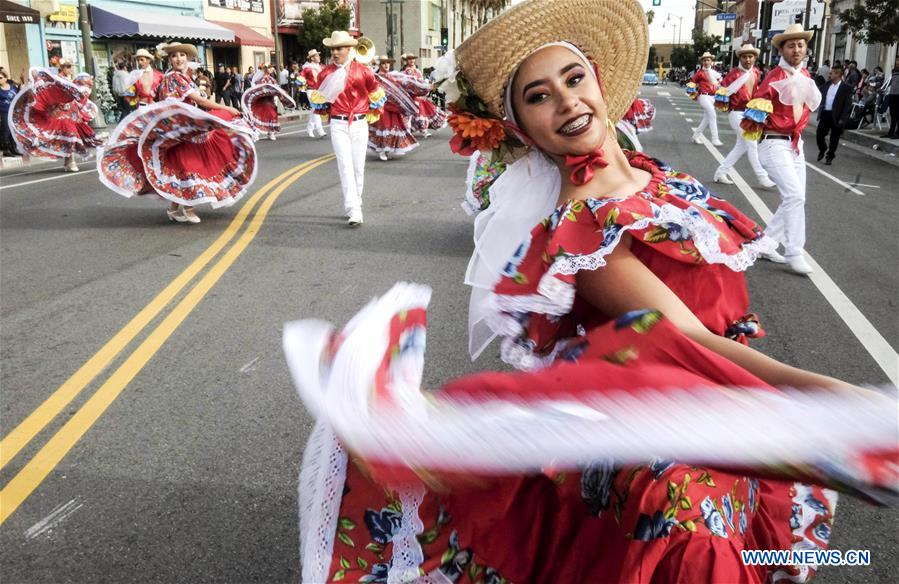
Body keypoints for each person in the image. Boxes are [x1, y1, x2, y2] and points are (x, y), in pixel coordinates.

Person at [285, 3, 898, 584]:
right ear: (522, 129)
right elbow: (691, 341)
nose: (567, 101)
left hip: (716, 404)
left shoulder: (661, 177)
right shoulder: (583, 228)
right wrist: (843, 404)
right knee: (695, 548)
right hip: (670, 433)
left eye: (574, 78)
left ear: (600, 81)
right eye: (538, 97)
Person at [97, 42, 255, 225]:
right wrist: (224, 107)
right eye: (174, 55)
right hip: (181, 130)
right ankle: (189, 208)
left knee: (183, 169)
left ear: (187, 58)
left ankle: (173, 209)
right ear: (169, 59)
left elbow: (193, 100)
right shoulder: (173, 78)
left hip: (187, 128)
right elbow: (198, 101)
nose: (178, 58)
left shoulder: (180, 77)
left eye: (181, 55)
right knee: (190, 166)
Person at [741, 23, 820, 275]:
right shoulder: (775, 76)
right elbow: (755, 110)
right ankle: (794, 252)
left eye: (800, 45)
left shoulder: (806, 76)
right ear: (782, 50)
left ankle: (765, 244)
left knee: (796, 198)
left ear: (805, 48)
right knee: (795, 196)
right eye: (790, 45)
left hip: (795, 144)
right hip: (774, 142)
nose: (796, 49)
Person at [308, 30, 385, 227]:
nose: (335, 53)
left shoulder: (364, 71)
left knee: (359, 167)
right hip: (339, 123)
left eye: (339, 48)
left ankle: (356, 201)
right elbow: (322, 100)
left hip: (359, 123)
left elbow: (376, 95)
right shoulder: (325, 73)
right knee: (345, 166)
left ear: (349, 49)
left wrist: (374, 112)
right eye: (333, 49)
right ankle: (353, 209)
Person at [8, 61, 101, 172]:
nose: (70, 69)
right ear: (62, 68)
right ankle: (71, 161)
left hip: (71, 112)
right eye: (68, 67)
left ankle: (69, 161)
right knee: (69, 133)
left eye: (71, 67)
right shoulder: (56, 79)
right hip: (59, 113)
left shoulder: (72, 81)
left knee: (71, 136)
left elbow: (82, 91)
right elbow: (41, 84)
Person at [713, 44, 776, 188]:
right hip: (736, 113)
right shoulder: (733, 75)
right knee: (752, 144)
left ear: (755, 58)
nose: (748, 59)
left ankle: (721, 172)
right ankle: (762, 176)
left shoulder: (756, 72)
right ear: (740, 58)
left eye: (750, 56)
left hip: (749, 113)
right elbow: (722, 92)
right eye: (744, 56)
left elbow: (757, 92)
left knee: (741, 146)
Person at [368, 55, 430, 160]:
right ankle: (382, 150)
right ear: (379, 64)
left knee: (394, 127)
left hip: (394, 107)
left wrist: (424, 86)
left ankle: (388, 150)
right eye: (383, 63)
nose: (386, 65)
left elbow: (407, 84)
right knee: (384, 126)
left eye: (387, 63)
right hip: (383, 107)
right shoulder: (376, 77)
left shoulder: (394, 76)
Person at [241, 64, 296, 140]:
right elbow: (259, 89)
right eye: (270, 68)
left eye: (272, 67)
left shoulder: (271, 79)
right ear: (266, 69)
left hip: (270, 100)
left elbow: (276, 89)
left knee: (272, 115)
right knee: (261, 115)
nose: (272, 69)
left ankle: (271, 133)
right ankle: (256, 133)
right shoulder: (262, 79)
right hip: (262, 101)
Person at [402, 52, 447, 136]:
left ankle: (422, 129)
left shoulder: (418, 71)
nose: (412, 60)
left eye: (413, 59)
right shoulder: (406, 71)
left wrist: (425, 90)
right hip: (411, 96)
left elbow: (422, 82)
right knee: (415, 112)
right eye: (409, 59)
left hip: (420, 95)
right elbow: (408, 85)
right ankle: (418, 129)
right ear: (406, 61)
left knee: (424, 110)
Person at [815, 64, 853, 166]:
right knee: (819, 134)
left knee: (834, 138)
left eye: (831, 73)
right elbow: (817, 94)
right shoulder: (826, 85)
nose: (829, 75)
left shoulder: (846, 88)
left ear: (838, 74)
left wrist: (843, 118)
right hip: (825, 114)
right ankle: (823, 148)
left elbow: (847, 106)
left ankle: (830, 156)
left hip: (837, 116)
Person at [688, 51, 723, 145]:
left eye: (708, 60)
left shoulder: (715, 73)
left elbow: (721, 81)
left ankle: (695, 136)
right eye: (704, 60)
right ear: (702, 62)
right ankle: (715, 138)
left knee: (706, 119)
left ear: (711, 61)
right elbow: (692, 83)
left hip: (713, 97)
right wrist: (692, 93)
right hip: (703, 96)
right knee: (713, 115)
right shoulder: (700, 73)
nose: (706, 62)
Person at [302, 49, 326, 138]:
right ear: (312, 58)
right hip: (311, 90)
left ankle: (309, 128)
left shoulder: (321, 67)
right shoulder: (307, 69)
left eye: (318, 55)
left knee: (314, 110)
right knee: (316, 109)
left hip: (320, 91)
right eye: (316, 56)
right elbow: (301, 78)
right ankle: (320, 130)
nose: (319, 57)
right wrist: (301, 82)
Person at [0, 69, 20, 157]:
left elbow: (19, 94)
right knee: (6, 130)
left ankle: (13, 148)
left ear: (5, 78)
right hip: (4, 112)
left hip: (14, 112)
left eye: (0, 77)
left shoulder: (12, 87)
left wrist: (19, 83)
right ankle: (6, 149)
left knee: (14, 130)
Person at [880, 60, 899, 139]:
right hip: (892, 94)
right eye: (897, 61)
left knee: (898, 115)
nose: (898, 63)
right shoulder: (894, 72)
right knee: (893, 114)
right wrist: (883, 88)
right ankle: (891, 132)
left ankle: (898, 133)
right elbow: (889, 82)